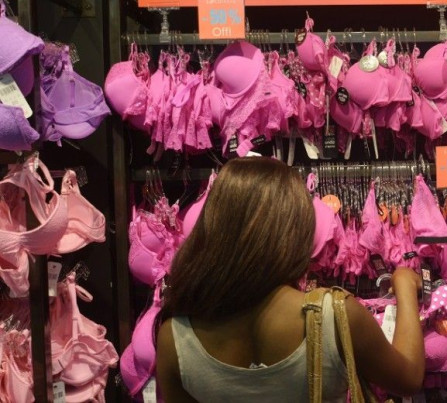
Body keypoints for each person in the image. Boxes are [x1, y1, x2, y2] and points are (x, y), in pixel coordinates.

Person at [156, 157, 425, 402]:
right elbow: (409, 377)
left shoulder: (175, 337)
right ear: (294, 230)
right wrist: (404, 286)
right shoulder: (334, 315)